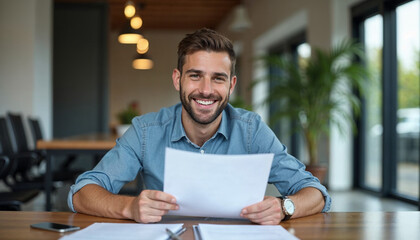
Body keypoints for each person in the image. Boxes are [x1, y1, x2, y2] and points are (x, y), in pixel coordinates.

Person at [68, 28, 331, 225]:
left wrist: (285, 207)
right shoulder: (146, 131)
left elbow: (316, 193)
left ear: (231, 85)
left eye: (218, 78)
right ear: (177, 79)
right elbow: (82, 193)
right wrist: (129, 207)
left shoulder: (252, 130)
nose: (206, 90)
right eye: (195, 76)